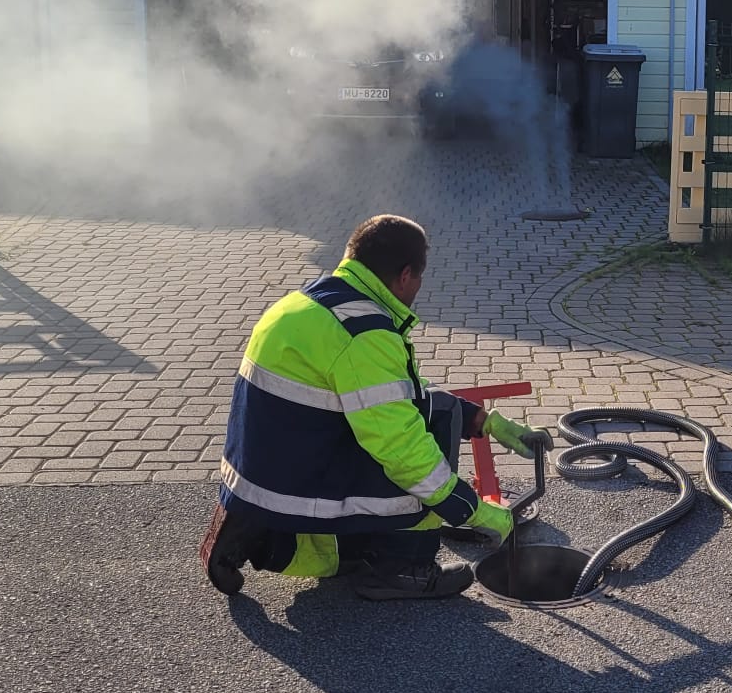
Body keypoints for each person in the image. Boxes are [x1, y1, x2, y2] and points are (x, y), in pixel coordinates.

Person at [199, 214, 552, 601]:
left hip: (264, 478)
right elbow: (403, 447)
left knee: (434, 420)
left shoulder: (310, 304)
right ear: (405, 275)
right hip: (297, 484)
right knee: (428, 445)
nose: (418, 287)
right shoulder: (363, 334)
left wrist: (489, 423)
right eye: (419, 278)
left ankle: (260, 535)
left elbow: (397, 395)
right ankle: (403, 570)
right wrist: (472, 510)